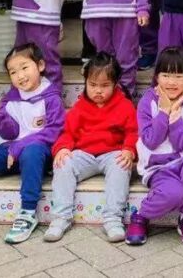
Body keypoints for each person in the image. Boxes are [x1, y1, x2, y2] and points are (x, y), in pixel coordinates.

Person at [0, 44, 65, 244]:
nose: (20, 76)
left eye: (24, 67)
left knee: (32, 151)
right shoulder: (12, 99)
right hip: (12, 154)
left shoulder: (51, 97)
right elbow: (10, 133)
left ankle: (27, 213)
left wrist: (19, 146)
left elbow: (54, 131)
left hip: (38, 156)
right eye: (13, 72)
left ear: (40, 66)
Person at [44, 53, 137, 243]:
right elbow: (67, 133)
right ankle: (61, 217)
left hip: (112, 153)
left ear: (115, 84)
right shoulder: (80, 107)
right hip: (84, 154)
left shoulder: (125, 106)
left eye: (105, 85)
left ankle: (113, 218)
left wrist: (129, 149)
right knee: (63, 163)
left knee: (121, 165)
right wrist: (62, 148)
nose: (98, 91)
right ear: (85, 82)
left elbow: (133, 132)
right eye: (93, 85)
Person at [127, 46, 183, 247]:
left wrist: (176, 117)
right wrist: (163, 112)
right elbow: (151, 140)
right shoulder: (147, 102)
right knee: (174, 194)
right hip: (159, 166)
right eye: (166, 75)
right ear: (157, 77)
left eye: (179, 76)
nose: (171, 82)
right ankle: (141, 216)